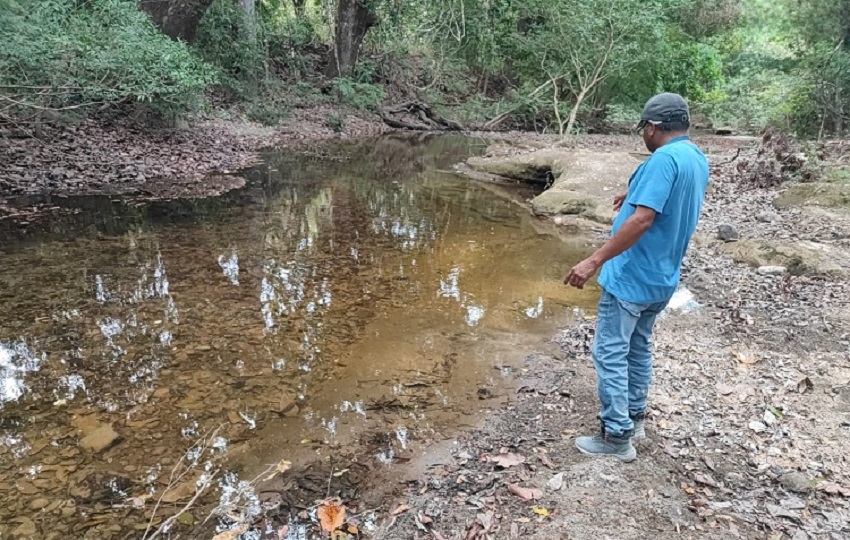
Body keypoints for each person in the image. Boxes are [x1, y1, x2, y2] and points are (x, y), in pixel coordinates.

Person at [564, 93, 710, 462]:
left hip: (632, 275)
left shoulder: (663, 159)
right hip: (663, 277)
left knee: (610, 351)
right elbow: (670, 196)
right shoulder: (694, 156)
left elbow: (643, 220)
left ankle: (616, 436)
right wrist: (633, 192)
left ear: (653, 127)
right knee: (639, 346)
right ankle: (635, 416)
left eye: (643, 129)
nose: (643, 135)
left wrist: (593, 260)